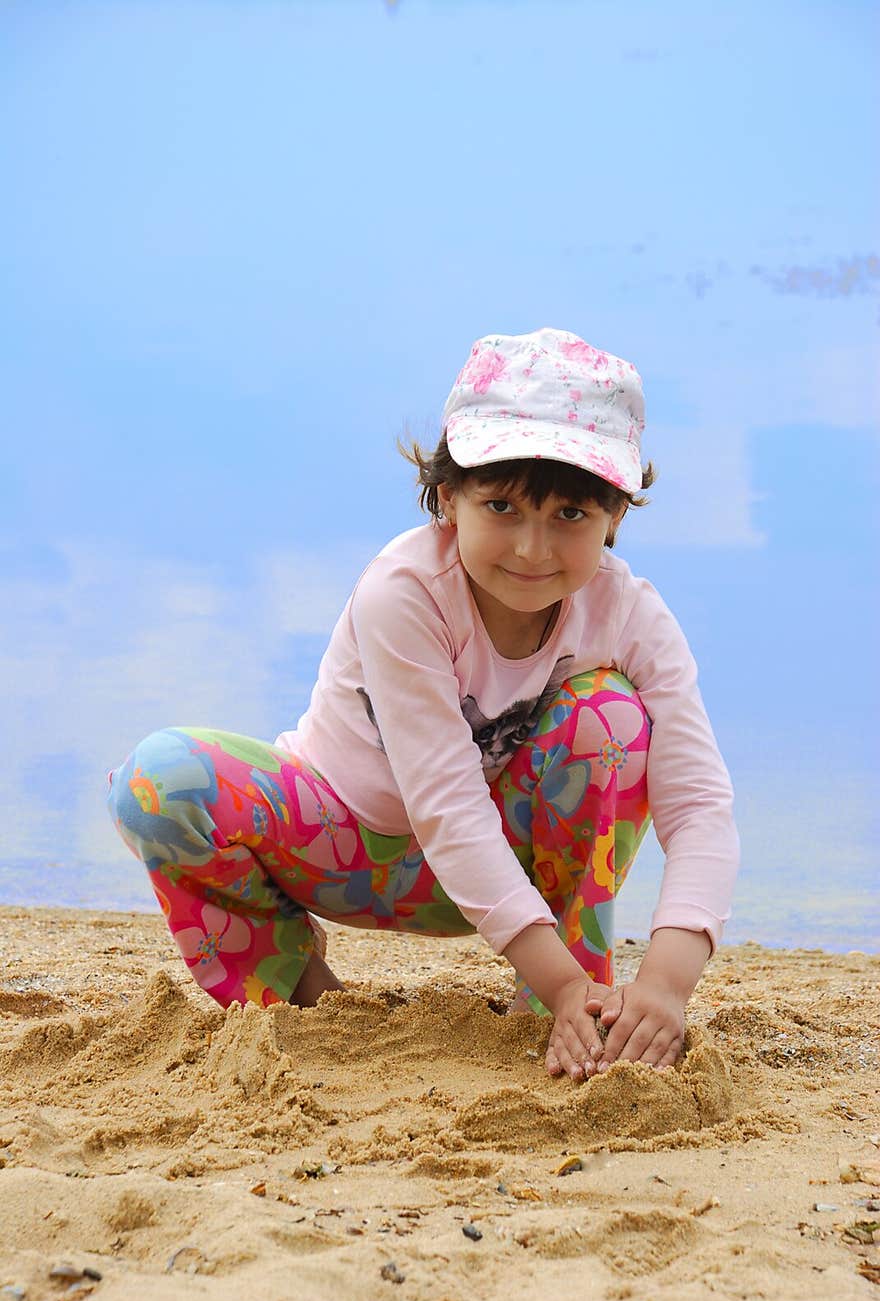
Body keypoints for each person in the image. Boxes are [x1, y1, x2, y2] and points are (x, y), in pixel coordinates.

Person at [106, 327, 739, 1084]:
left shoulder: (630, 614)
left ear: (615, 516)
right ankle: (301, 994)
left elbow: (698, 799)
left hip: (502, 870)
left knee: (611, 717)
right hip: (341, 844)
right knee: (157, 780)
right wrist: (562, 981)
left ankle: (567, 999)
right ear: (448, 496)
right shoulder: (403, 592)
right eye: (501, 505)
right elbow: (443, 802)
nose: (533, 549)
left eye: (569, 515)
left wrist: (667, 983)